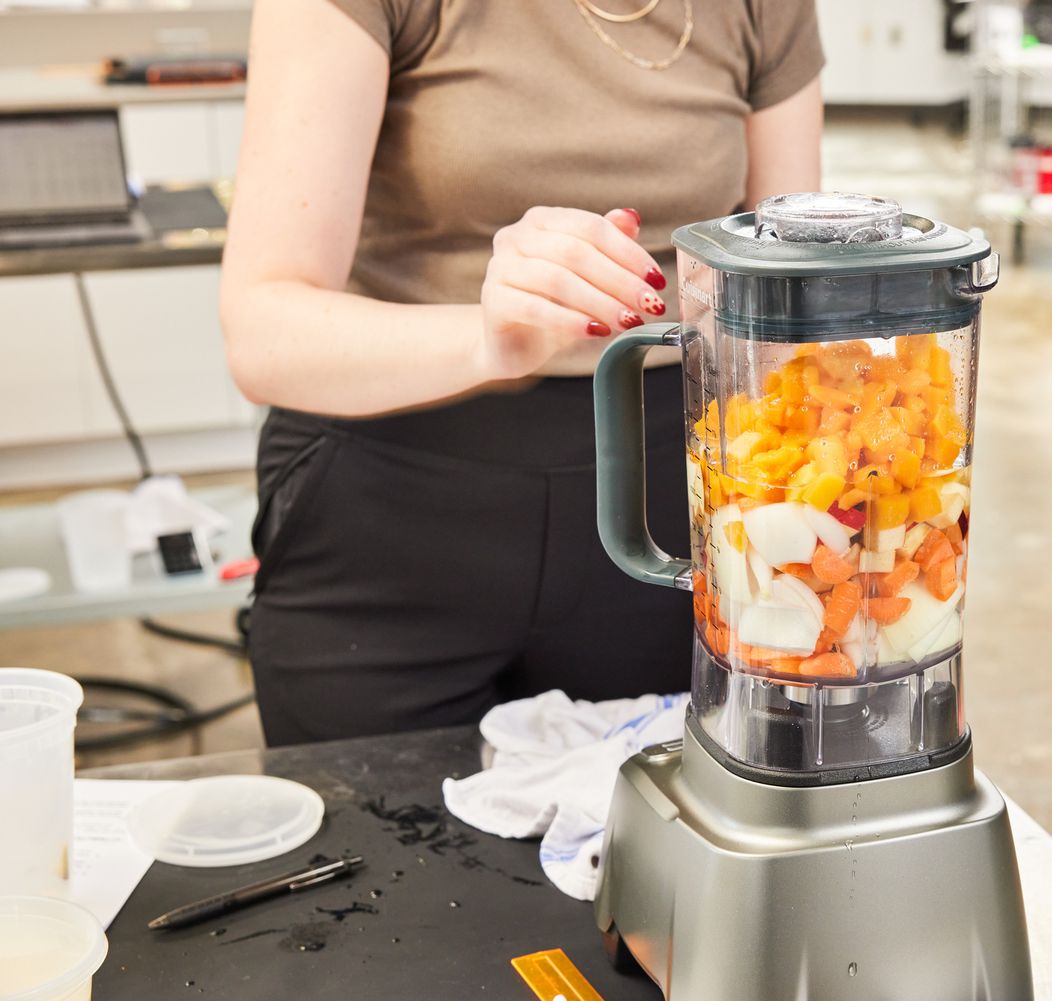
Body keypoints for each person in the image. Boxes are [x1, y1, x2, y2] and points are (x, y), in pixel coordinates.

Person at [219, 0, 824, 745]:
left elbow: (789, 295)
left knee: (660, 812)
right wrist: (486, 341)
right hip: (390, 502)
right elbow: (262, 334)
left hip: (673, 507)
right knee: (379, 814)